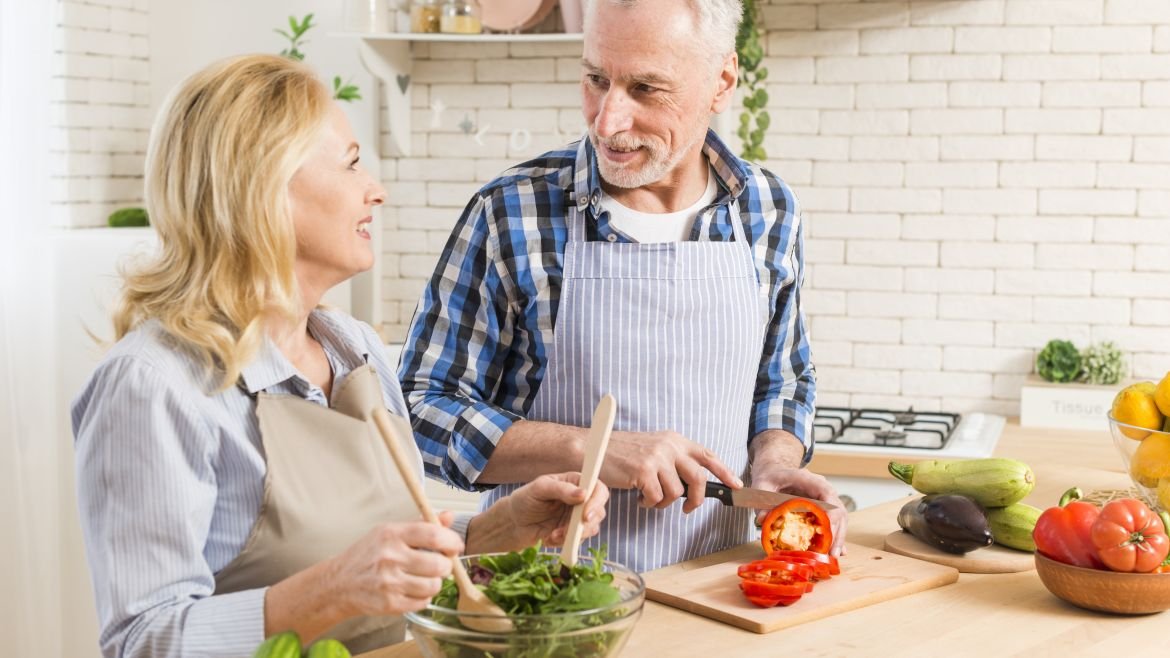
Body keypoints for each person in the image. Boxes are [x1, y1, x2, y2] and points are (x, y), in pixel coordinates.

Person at [71, 54, 610, 658]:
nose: (375, 191)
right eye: (352, 165)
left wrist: (497, 530)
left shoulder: (353, 348)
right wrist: (330, 590)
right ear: (264, 189)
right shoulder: (155, 385)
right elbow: (140, 641)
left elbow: (381, 544)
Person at [399, 0, 845, 574]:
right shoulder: (512, 212)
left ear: (722, 81)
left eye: (645, 88)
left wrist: (774, 462)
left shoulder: (768, 208)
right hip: (553, 594)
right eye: (596, 79)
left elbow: (782, 379)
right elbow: (416, 410)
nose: (607, 121)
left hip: (723, 586)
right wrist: (592, 449)